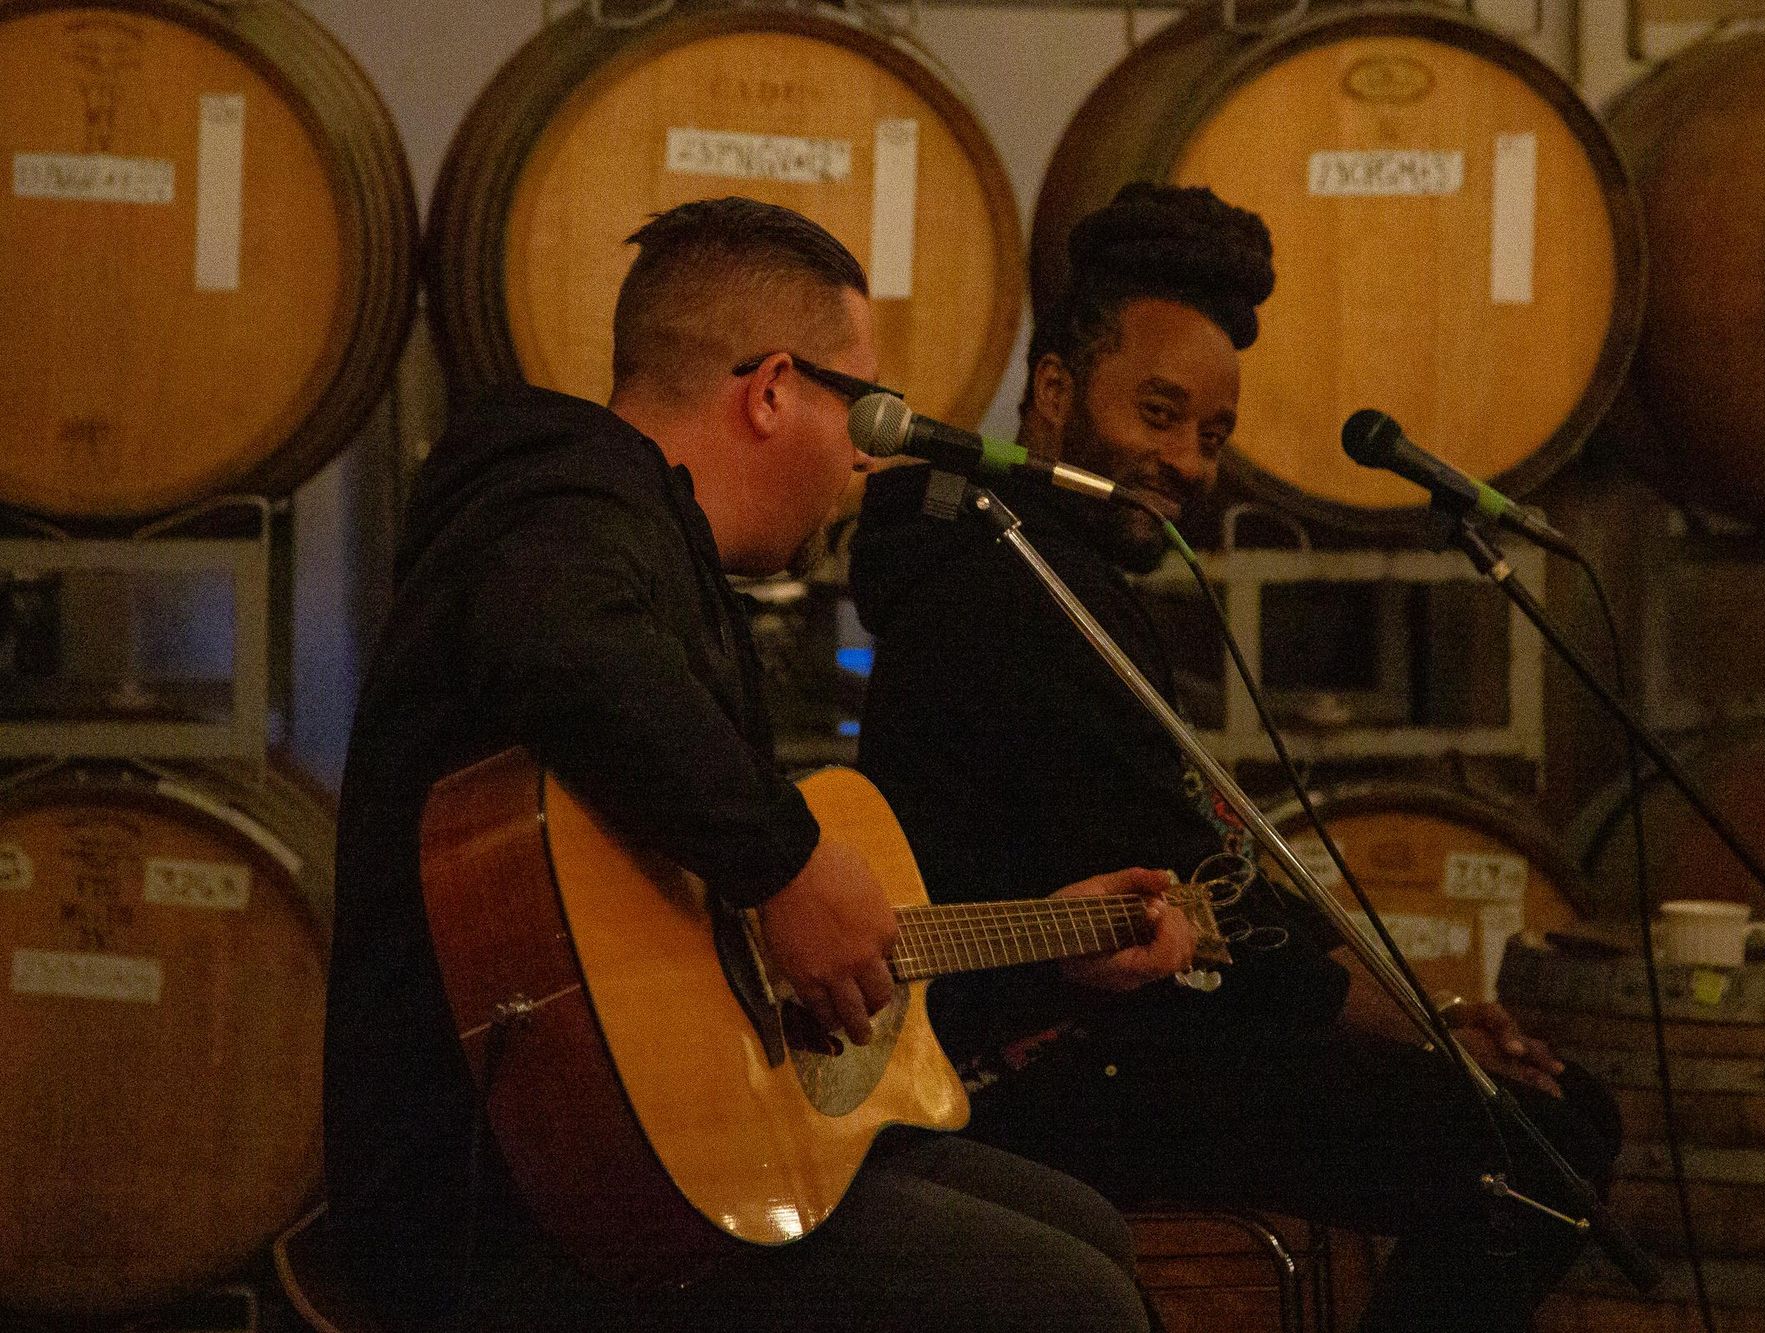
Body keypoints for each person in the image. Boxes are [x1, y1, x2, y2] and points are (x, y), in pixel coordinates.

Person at [324, 197, 1179, 1332]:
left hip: (637, 1164)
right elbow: (555, 642)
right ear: (771, 389)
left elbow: (714, 958)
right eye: (860, 405)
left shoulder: (657, 559)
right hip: (511, 1199)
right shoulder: (559, 500)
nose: (871, 454)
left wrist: (1043, 943)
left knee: (1082, 1232)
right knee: (1067, 1301)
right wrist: (787, 864)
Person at [852, 183, 1624, 1333]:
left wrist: (1426, 1014)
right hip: (1039, 1063)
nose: (1185, 460)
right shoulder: (1004, 583)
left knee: (1531, 1119)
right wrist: (1420, 1026)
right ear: (1054, 393)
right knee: (1539, 1143)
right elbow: (1203, 894)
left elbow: (1204, 858)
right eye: (1157, 413)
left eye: (1210, 433)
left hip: (1130, 1028)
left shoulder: (1047, 567)